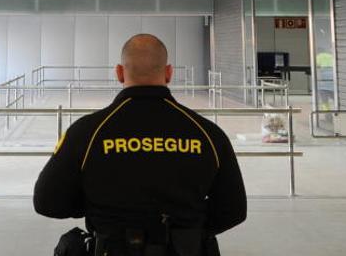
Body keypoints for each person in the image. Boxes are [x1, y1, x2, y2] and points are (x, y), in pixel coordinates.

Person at [34, 34, 247, 255]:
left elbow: (47, 201)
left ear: (119, 72)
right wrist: (187, 227)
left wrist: (95, 206)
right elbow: (234, 210)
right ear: (168, 73)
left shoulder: (87, 131)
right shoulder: (208, 133)